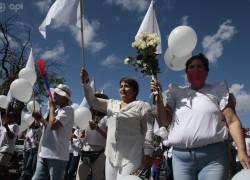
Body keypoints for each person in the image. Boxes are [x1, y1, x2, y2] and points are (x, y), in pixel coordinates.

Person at [151, 53, 250, 180]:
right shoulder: (176, 92)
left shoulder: (218, 90)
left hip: (213, 158)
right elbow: (164, 121)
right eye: (191, 67)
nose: (195, 69)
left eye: (199, 66)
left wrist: (242, 150)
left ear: (206, 72)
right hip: (181, 159)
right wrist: (158, 98)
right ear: (186, 73)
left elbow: (232, 121)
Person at [81, 69, 155, 180]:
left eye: (127, 86)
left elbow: (148, 131)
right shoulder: (111, 104)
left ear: (135, 90)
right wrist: (86, 83)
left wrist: (148, 153)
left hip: (131, 157)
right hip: (110, 157)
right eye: (121, 86)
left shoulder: (142, 106)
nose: (123, 89)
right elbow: (92, 101)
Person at [31, 84, 74, 180]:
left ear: (64, 97)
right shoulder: (57, 110)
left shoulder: (68, 110)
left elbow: (53, 125)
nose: (53, 96)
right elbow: (49, 126)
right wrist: (40, 119)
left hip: (57, 156)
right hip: (44, 153)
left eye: (57, 94)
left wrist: (51, 107)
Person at [76, 93, 108, 180]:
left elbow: (109, 137)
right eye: (94, 99)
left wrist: (97, 128)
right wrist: (81, 136)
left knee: (97, 177)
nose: (95, 101)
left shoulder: (106, 118)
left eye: (98, 99)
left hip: (99, 152)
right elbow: (83, 136)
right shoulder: (87, 114)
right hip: (85, 151)